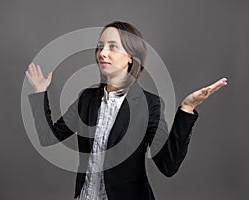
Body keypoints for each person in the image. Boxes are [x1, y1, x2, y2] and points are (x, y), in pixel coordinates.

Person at [26, 21, 227, 200]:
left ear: (131, 56)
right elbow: (48, 136)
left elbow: (168, 165)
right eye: (100, 47)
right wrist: (40, 93)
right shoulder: (87, 99)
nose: (102, 53)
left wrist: (187, 109)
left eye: (113, 47)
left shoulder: (149, 105)